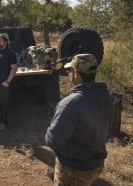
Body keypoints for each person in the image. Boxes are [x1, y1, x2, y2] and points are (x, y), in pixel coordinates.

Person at [45, 54, 113, 186]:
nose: (69, 73)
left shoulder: (70, 103)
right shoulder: (106, 96)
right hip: (96, 163)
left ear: (75, 73)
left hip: (74, 169)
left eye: (70, 70)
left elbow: (53, 141)